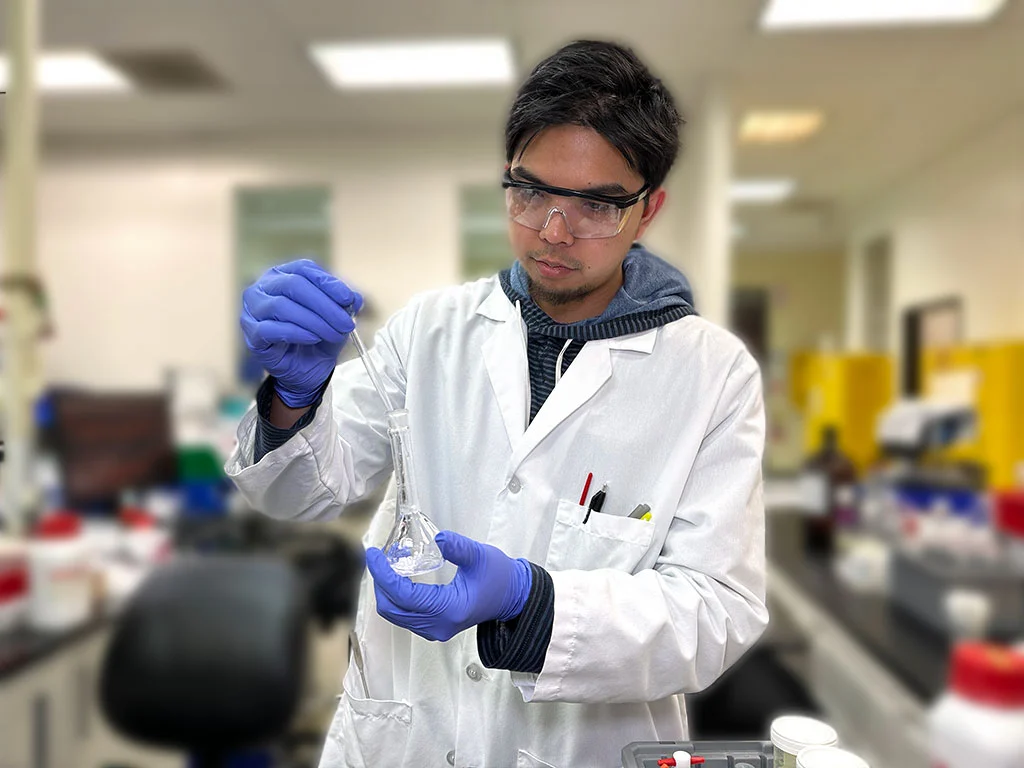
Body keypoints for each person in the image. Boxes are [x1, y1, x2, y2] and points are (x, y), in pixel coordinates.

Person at [228, 39, 768, 768]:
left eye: (598, 204)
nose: (553, 229)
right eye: (531, 189)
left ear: (649, 210)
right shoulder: (429, 329)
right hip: (405, 739)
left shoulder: (711, 373)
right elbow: (299, 492)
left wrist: (531, 602)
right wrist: (295, 398)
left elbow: (717, 612)